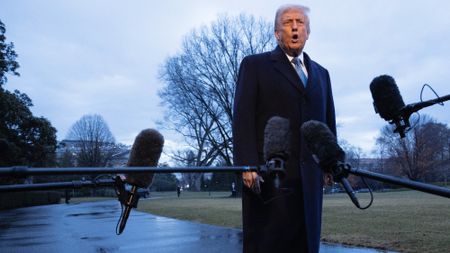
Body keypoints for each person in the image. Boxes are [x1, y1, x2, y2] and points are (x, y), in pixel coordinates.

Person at [232, 4, 336, 253]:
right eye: (288, 22)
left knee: (306, 243)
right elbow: (242, 116)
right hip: (269, 176)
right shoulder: (255, 65)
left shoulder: (322, 74)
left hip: (309, 178)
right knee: (269, 244)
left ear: (308, 32)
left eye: (300, 22)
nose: (295, 27)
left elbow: (327, 121)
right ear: (277, 33)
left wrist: (329, 163)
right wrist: (246, 164)